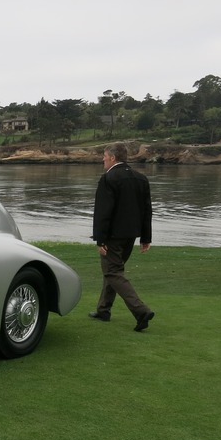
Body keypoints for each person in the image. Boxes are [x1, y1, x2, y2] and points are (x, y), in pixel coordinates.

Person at [90, 142, 155, 331]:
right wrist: (145, 237)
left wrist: (100, 239)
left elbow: (103, 212)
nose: (102, 159)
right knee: (113, 270)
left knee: (113, 272)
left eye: (104, 155)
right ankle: (103, 310)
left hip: (113, 237)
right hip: (131, 236)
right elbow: (147, 211)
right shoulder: (140, 178)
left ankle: (141, 311)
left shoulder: (109, 178)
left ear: (112, 158)